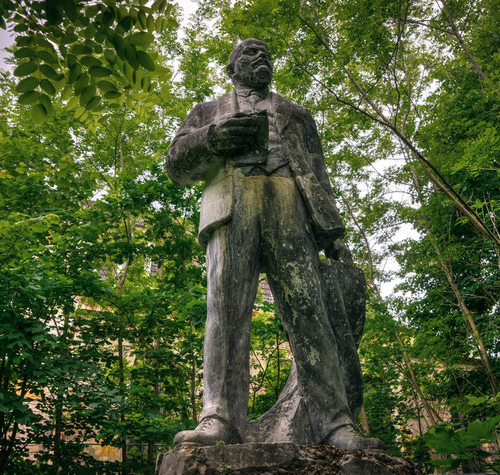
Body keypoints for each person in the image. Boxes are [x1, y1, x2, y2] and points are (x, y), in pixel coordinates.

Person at [166, 38, 384, 451]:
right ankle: (219, 418)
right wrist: (214, 138)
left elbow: (319, 174)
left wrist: (334, 237)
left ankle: (334, 424)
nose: (261, 56)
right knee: (226, 314)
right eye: (249, 53)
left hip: (289, 204)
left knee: (310, 314)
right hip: (232, 204)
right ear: (232, 68)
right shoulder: (208, 111)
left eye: (266, 53)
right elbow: (175, 163)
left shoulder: (297, 115)